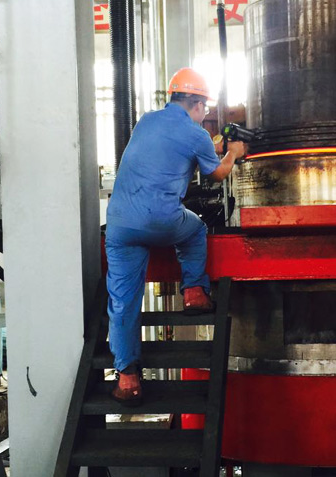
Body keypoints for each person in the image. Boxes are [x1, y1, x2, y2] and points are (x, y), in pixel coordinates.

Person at [105, 67, 246, 406]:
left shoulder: (147, 121)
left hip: (120, 224)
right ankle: (195, 293)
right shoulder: (195, 134)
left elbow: (169, 151)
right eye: (204, 108)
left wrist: (210, 146)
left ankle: (127, 379)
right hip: (161, 221)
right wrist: (232, 153)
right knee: (195, 228)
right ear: (197, 104)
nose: (204, 114)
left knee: (123, 300)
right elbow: (217, 174)